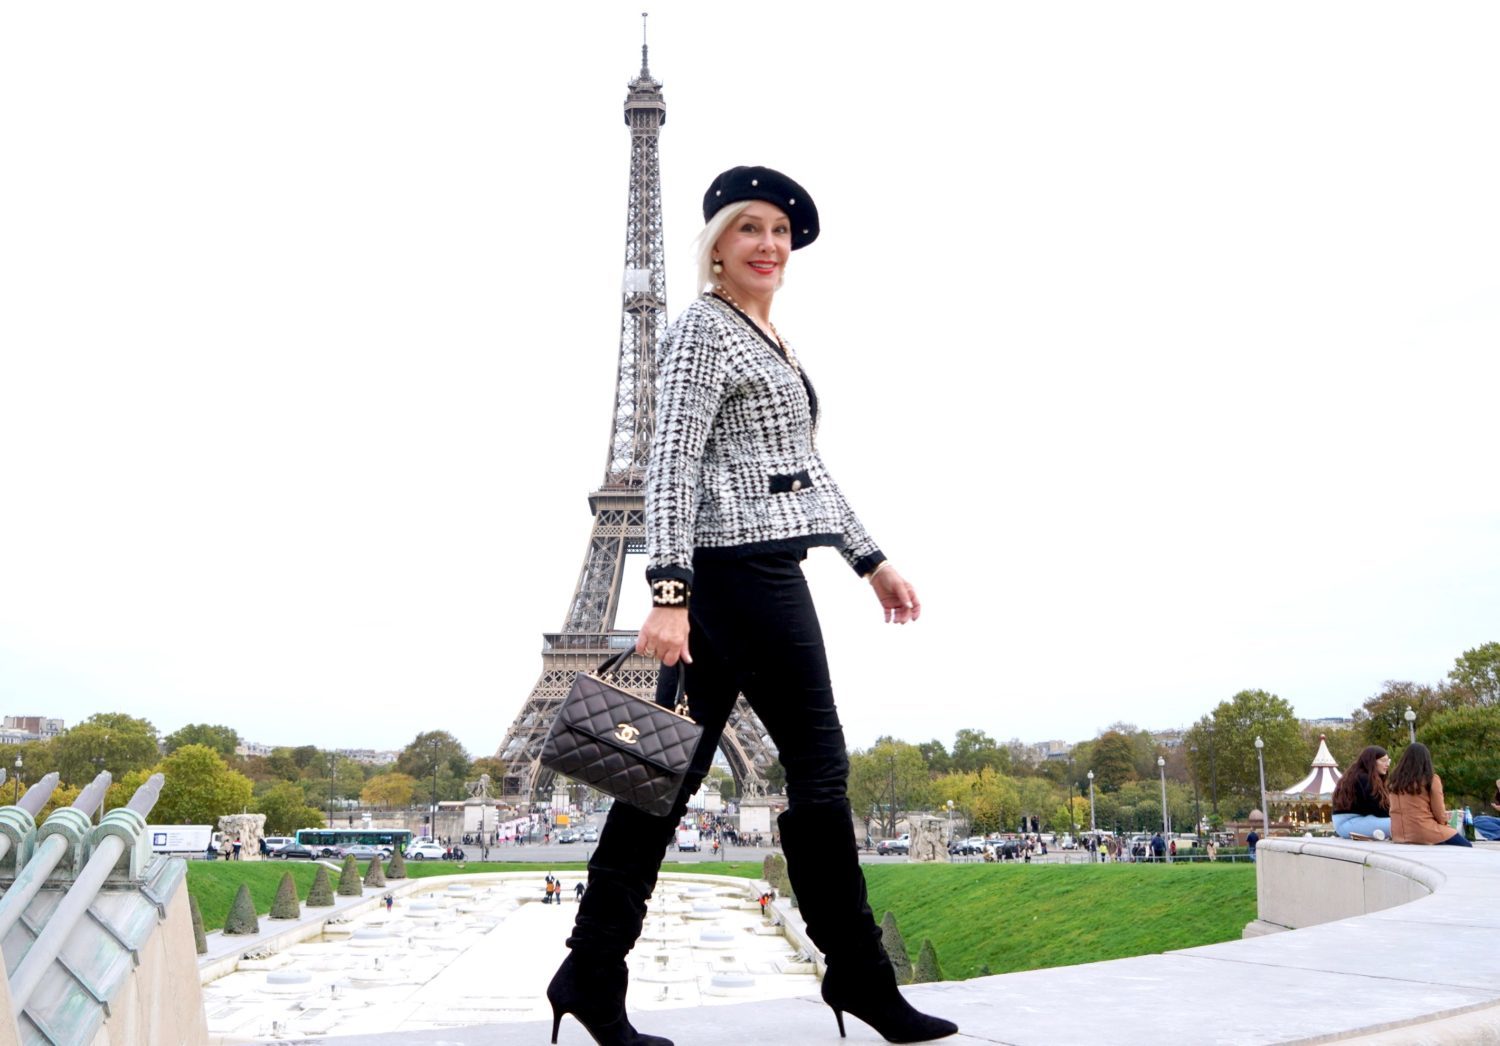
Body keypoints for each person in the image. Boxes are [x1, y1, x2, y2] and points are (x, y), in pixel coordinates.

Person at [547, 166, 957, 1046]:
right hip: (742, 582)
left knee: (663, 781)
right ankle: (859, 975)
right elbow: (668, 463)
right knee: (818, 774)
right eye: (750, 230)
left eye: (780, 231)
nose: (769, 244)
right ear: (717, 247)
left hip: (754, 572)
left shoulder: (767, 337)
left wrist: (869, 559)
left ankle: (589, 971)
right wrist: (667, 593)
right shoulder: (702, 329)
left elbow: (801, 471)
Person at [1387, 742, 1472, 847]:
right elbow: (1439, 811)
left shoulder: (1394, 780)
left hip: (1398, 833)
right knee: (1467, 846)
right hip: (1423, 831)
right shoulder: (1431, 779)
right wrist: (1444, 825)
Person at [1331, 746, 1392, 840]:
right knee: (1401, 825)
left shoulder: (1360, 776)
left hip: (1356, 820)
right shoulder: (1363, 778)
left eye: (1388, 761)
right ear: (1372, 761)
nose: (1387, 764)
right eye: (1383, 760)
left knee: (1401, 823)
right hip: (1349, 822)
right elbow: (1379, 810)